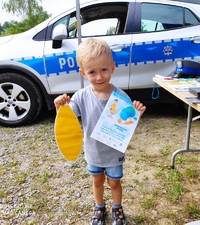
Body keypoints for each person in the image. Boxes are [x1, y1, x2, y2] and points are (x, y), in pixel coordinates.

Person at [54, 38, 146, 225]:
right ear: (83, 73)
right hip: (93, 151)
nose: (99, 77)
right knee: (97, 181)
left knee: (114, 183)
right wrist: (60, 108)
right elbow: (68, 119)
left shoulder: (121, 97)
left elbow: (128, 125)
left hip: (113, 153)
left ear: (112, 67)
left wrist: (137, 114)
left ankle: (117, 208)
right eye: (92, 72)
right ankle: (99, 206)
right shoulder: (80, 96)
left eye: (104, 70)